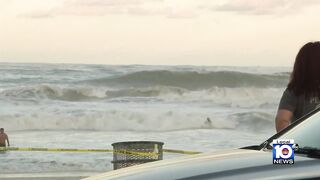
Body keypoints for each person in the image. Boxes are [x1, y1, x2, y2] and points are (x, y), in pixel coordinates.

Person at [275, 42, 320, 132]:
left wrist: (290, 146)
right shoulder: (295, 91)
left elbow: (282, 121)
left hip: (306, 143)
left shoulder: (294, 91)